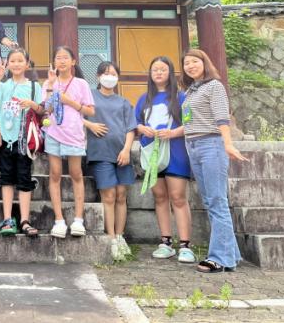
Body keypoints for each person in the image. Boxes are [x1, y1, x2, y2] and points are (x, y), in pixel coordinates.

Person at [180, 48, 248, 273]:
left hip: (211, 144)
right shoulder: (191, 91)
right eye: (186, 63)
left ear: (204, 63)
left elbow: (221, 118)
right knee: (210, 201)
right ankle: (231, 254)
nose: (190, 66)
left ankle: (220, 258)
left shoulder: (214, 86)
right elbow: (190, 121)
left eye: (194, 61)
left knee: (217, 201)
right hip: (193, 146)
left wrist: (227, 144)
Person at [136, 56, 196, 264]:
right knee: (160, 196)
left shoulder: (181, 97)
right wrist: (142, 129)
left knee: (178, 197)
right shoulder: (144, 99)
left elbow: (191, 123)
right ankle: (166, 242)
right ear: (150, 74)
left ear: (170, 72)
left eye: (163, 69)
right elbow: (135, 124)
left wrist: (172, 133)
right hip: (152, 153)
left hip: (176, 152)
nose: (159, 73)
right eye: (155, 70)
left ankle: (186, 245)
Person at [0, 48, 43, 237]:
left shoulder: (34, 86)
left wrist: (32, 104)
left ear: (27, 64)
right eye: (13, 61)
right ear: (7, 64)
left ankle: (25, 221)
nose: (16, 64)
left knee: (24, 179)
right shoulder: (3, 86)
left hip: (25, 140)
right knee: (7, 179)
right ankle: (8, 219)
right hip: (5, 139)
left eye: (20, 61)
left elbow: (43, 110)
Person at [84, 61, 136, 261]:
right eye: (106, 73)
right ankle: (111, 238)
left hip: (121, 153)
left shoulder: (123, 102)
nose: (110, 77)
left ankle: (120, 236)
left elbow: (131, 128)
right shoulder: (90, 97)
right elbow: (73, 114)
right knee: (109, 195)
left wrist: (126, 150)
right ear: (98, 77)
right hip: (100, 153)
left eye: (113, 73)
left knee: (121, 195)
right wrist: (90, 125)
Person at [42, 46, 95, 238]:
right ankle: (59, 220)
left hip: (74, 133)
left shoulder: (81, 84)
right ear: (54, 62)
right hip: (53, 133)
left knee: (76, 173)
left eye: (65, 58)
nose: (62, 61)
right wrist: (50, 85)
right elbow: (46, 110)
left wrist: (69, 101)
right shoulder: (49, 83)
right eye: (58, 58)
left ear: (73, 61)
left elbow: (90, 111)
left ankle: (78, 219)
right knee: (55, 174)